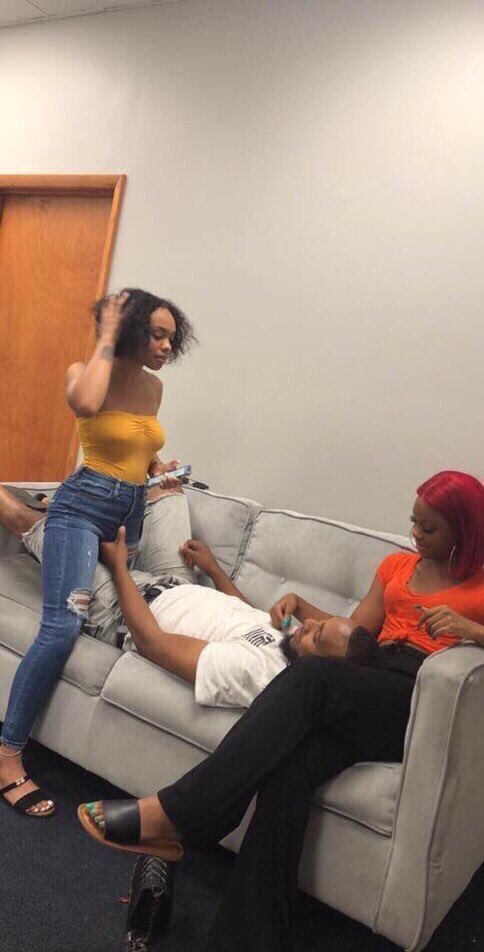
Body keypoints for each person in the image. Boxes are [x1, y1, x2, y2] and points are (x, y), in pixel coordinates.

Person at [77, 470, 484, 952]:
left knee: (312, 677)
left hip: (418, 697)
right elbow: (355, 633)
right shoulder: (398, 567)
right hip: (369, 674)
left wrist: (472, 630)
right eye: (413, 522)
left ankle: (182, 811)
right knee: (291, 770)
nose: (415, 535)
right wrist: (303, 609)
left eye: (429, 528)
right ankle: (246, 941)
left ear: (464, 529)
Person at [0, 289, 195, 818]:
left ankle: (26, 522)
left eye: (171, 338)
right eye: (156, 335)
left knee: (107, 612)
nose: (166, 347)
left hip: (129, 512)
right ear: (129, 330)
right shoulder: (85, 373)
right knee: (62, 626)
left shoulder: (153, 388)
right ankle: (8, 754)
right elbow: (85, 407)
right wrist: (106, 337)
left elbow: (141, 444)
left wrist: (158, 469)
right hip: (83, 506)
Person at [0, 484, 377, 712]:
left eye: (316, 635)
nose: (307, 625)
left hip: (120, 610)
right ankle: (69, 502)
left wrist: (118, 568)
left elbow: (152, 642)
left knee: (38, 524)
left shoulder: (254, 674)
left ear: (321, 672)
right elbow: (247, 615)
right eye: (319, 623)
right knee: (168, 489)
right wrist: (213, 569)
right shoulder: (294, 641)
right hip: (180, 582)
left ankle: (51, 513)